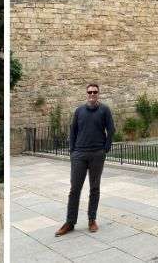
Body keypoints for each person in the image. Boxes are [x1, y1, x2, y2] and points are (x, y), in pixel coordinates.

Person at [55, 83, 115, 236]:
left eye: (95, 92)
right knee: (74, 189)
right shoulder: (79, 111)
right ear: (86, 94)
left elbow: (111, 129)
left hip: (97, 154)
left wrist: (105, 149)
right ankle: (70, 222)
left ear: (98, 94)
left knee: (94, 188)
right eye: (90, 92)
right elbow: (73, 130)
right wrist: (72, 151)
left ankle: (92, 219)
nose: (92, 94)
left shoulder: (105, 110)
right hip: (79, 155)